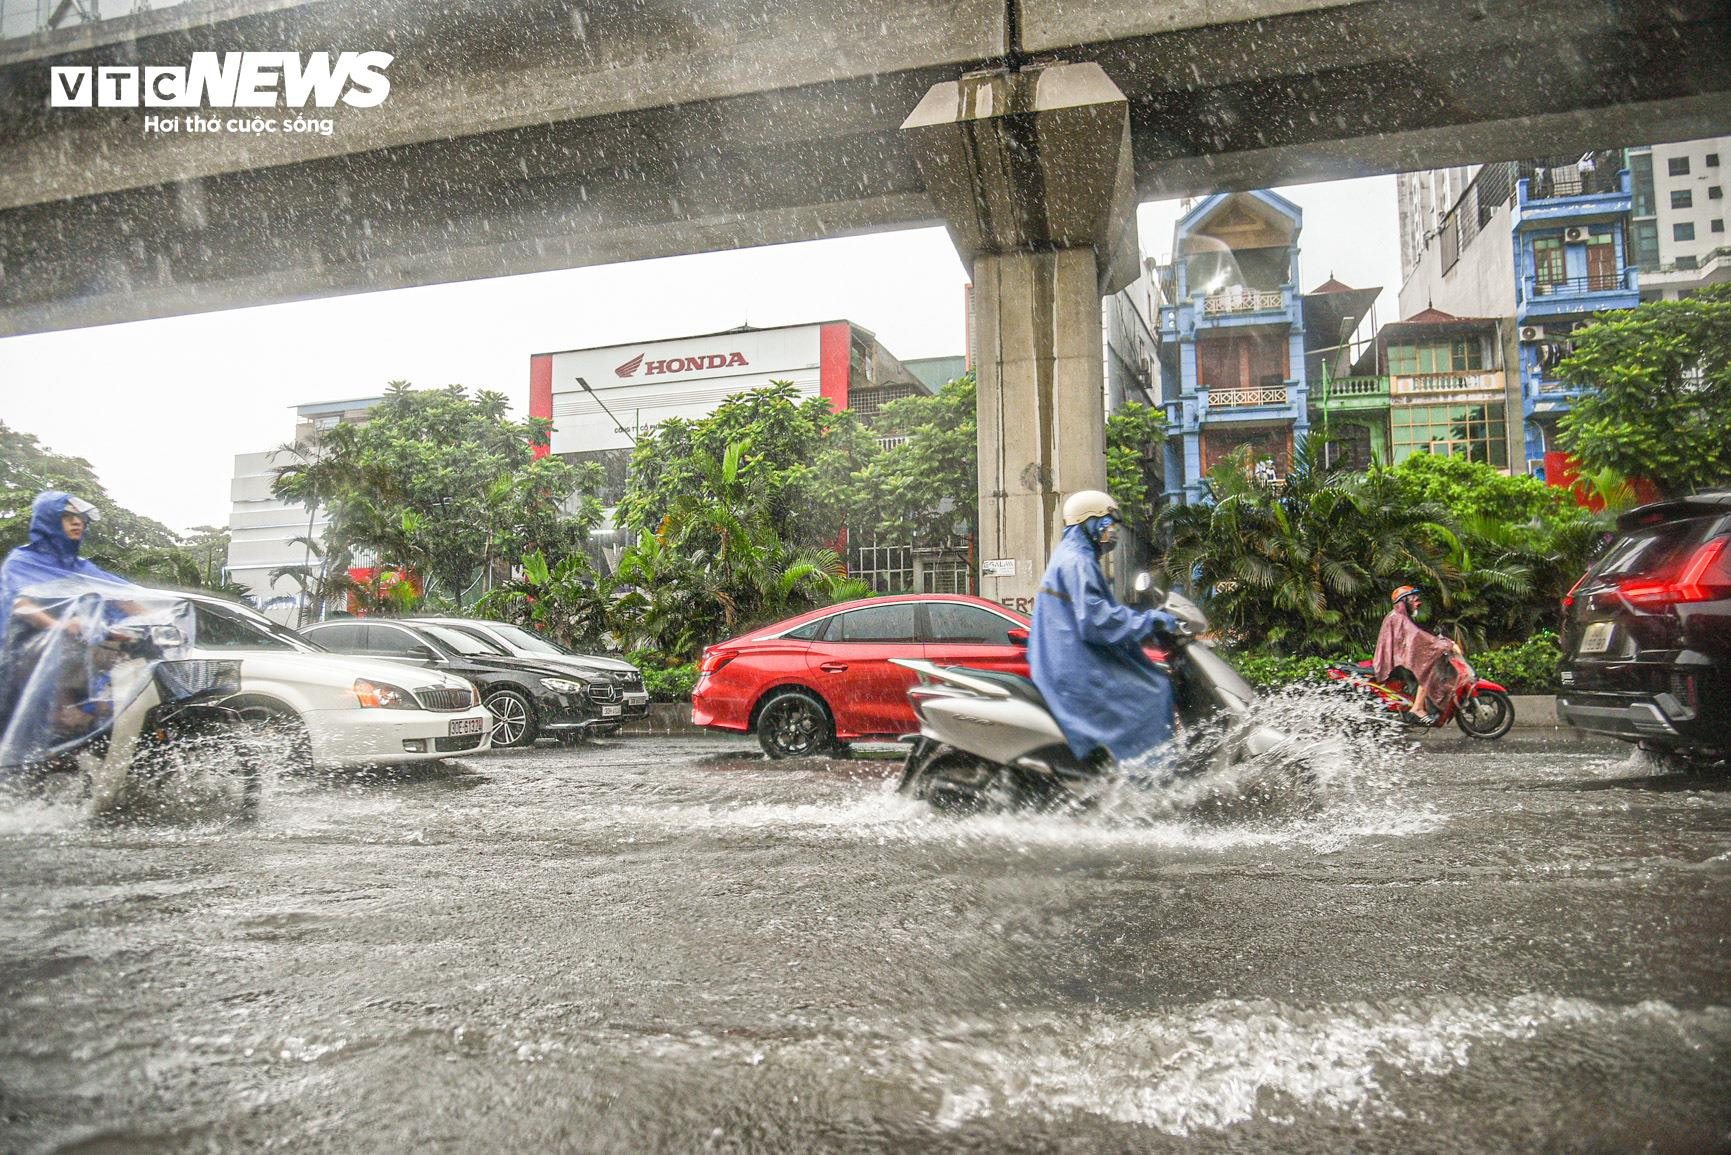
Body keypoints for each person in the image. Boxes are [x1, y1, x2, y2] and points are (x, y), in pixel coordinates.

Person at [1029, 490, 1179, 768]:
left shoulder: (1072, 556)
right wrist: (1149, 621)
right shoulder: (1078, 562)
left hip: (1066, 663)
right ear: (1090, 522)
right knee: (1154, 691)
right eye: (1108, 523)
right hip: (1076, 670)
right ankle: (1151, 773)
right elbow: (1097, 620)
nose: (1112, 531)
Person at [1373, 585, 1458, 725]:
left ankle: (1421, 706)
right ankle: (1418, 708)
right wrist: (1446, 644)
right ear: (1404, 601)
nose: (1416, 602)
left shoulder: (1399, 616)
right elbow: (1418, 637)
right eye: (1413, 599)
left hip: (1397, 660)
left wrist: (1438, 641)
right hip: (1394, 663)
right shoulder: (1398, 618)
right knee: (1427, 670)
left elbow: (1415, 637)